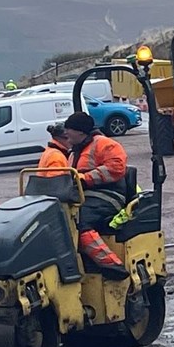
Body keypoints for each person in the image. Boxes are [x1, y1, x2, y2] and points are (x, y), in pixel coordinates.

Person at [58, 111, 130, 280]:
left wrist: (85, 179)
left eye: (69, 129)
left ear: (80, 131)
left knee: (80, 222)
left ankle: (111, 265)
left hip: (108, 195)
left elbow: (116, 168)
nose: (66, 132)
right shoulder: (75, 151)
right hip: (85, 195)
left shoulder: (105, 144)